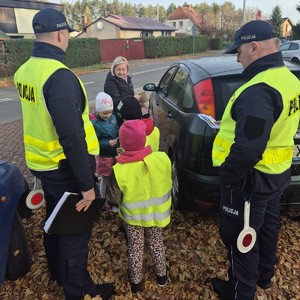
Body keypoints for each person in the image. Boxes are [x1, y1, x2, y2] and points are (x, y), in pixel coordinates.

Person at [13, 8, 114, 300]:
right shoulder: (58, 76)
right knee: (74, 231)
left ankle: (58, 273)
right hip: (65, 167)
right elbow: (72, 137)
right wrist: (86, 186)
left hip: (41, 164)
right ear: (60, 34)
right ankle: (78, 291)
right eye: (67, 34)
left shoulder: (25, 70)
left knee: (55, 219)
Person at [211, 20, 300, 300]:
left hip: (248, 182)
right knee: (267, 229)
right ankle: (263, 277)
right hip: (276, 175)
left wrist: (226, 176)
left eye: (239, 52)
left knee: (242, 240)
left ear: (254, 46)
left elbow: (248, 149)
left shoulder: (258, 90)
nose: (238, 59)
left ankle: (241, 292)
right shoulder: (290, 80)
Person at [106, 120, 172, 294]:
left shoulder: (119, 169)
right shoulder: (161, 158)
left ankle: (135, 284)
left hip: (133, 217)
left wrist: (121, 159)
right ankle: (162, 277)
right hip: (156, 214)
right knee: (156, 243)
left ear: (122, 142)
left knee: (135, 246)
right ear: (144, 139)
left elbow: (113, 197)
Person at [89, 92, 119, 198]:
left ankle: (113, 196)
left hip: (115, 153)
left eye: (110, 112)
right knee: (106, 178)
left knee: (115, 176)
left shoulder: (113, 118)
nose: (108, 115)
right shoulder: (95, 124)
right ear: (98, 111)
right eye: (105, 113)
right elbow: (94, 142)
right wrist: (107, 143)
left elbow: (117, 130)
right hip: (104, 156)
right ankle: (102, 197)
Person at [104, 56, 143, 126]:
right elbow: (117, 103)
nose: (121, 72)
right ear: (114, 69)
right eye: (118, 69)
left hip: (128, 113)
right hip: (119, 116)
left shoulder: (127, 79)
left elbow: (129, 94)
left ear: (127, 70)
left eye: (123, 69)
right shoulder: (110, 83)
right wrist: (133, 99)